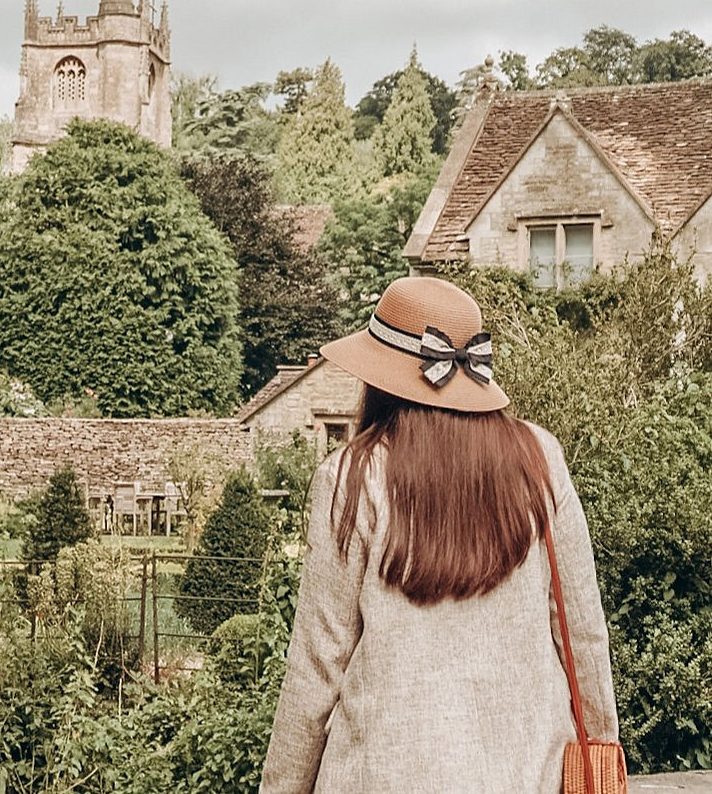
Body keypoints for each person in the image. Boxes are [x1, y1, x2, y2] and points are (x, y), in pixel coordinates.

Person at [260, 276, 619, 793]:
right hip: (525, 774)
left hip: (384, 773)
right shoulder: (539, 459)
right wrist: (602, 743)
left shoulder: (351, 477)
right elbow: (580, 630)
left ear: (379, 379)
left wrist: (281, 788)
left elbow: (318, 663)